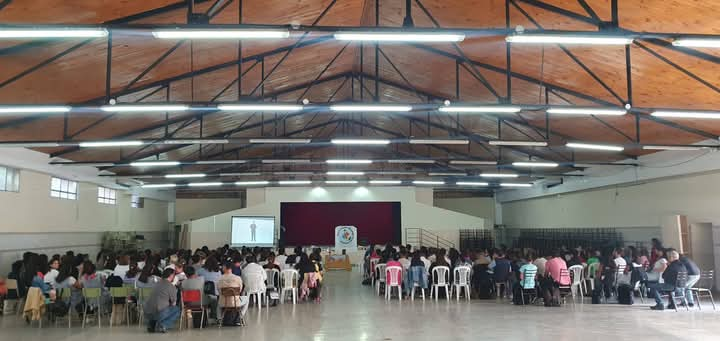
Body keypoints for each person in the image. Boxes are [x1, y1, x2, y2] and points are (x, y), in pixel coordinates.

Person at [143, 268, 180, 333]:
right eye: (174, 275)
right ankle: (163, 325)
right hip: (159, 312)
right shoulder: (171, 286)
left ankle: (151, 324)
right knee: (176, 310)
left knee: (156, 307)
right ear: (171, 275)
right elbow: (174, 303)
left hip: (147, 313)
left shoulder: (155, 284)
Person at [218, 262, 248, 326]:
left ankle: (219, 319)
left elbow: (219, 291)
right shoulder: (238, 278)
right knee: (246, 299)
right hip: (235, 302)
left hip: (223, 302)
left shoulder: (220, 278)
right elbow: (240, 290)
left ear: (225, 268)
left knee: (218, 303)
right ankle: (240, 317)